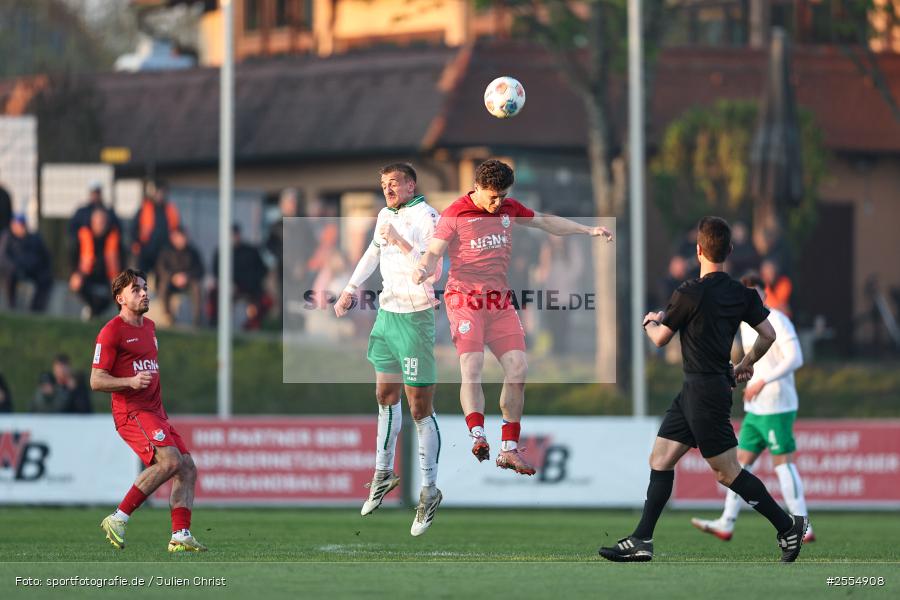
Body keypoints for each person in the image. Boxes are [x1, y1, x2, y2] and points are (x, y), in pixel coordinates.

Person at [598, 216, 808, 563]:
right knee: (661, 459)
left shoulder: (688, 292)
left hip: (704, 393)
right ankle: (642, 540)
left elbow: (662, 338)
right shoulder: (741, 293)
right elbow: (768, 335)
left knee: (727, 472)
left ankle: (788, 526)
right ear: (729, 251)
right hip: (699, 389)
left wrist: (648, 322)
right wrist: (745, 364)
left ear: (698, 250)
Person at [414, 159, 613, 475]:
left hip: (499, 301)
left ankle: (508, 449)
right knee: (472, 365)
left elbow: (546, 222)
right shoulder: (456, 213)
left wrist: (587, 229)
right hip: (465, 300)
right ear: (477, 187)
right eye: (492, 197)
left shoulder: (508, 208)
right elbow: (434, 252)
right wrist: (423, 268)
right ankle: (477, 435)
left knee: (519, 368)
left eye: (503, 197)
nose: (497, 204)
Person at [334, 163, 444, 536]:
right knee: (384, 395)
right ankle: (383, 473)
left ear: (411, 183)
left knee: (418, 407)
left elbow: (433, 267)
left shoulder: (429, 217)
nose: (388, 189)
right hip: (388, 315)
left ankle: (429, 490)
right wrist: (350, 288)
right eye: (383, 184)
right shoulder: (385, 214)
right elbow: (372, 253)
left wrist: (400, 240)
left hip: (416, 319)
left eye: (393, 183)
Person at [691, 271, 814, 543]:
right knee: (738, 467)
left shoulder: (779, 321)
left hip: (778, 405)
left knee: (783, 464)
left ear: (765, 293)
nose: (751, 298)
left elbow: (796, 358)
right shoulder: (746, 324)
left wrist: (763, 381)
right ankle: (726, 522)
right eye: (746, 293)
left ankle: (803, 524)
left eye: (755, 292)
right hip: (756, 408)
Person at [91, 268, 207, 552]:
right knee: (168, 461)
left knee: (187, 468)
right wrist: (129, 381)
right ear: (120, 298)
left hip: (156, 412)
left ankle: (180, 534)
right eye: (136, 289)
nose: (144, 292)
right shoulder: (111, 332)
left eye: (145, 287)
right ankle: (118, 518)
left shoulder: (150, 327)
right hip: (132, 412)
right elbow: (96, 380)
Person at [210, 224, 270, 330]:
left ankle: (253, 324)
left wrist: (250, 284)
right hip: (228, 287)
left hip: (250, 288)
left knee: (266, 300)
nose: (233, 237)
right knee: (214, 293)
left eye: (235, 234)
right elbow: (216, 272)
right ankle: (216, 322)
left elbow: (262, 270)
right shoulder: (221, 252)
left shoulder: (250, 251)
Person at [71, 208, 121, 320]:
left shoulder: (114, 237)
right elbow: (72, 257)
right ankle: (93, 311)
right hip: (87, 275)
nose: (100, 225)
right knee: (78, 285)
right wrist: (75, 274)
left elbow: (122, 259)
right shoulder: (82, 236)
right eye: (98, 222)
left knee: (119, 289)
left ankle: (94, 312)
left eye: (103, 222)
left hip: (108, 276)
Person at [156, 227, 204, 327]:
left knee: (197, 287)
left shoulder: (193, 252)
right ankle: (168, 316)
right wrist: (173, 277)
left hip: (188, 282)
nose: (182, 240)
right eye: (179, 237)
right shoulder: (166, 251)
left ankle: (197, 320)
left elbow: (200, 270)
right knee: (163, 286)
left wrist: (187, 277)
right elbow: (161, 269)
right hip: (171, 282)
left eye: (184, 237)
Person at [6, 214, 53, 312]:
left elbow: (45, 257)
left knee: (45, 278)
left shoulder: (34, 238)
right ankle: (11, 308)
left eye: (23, 225)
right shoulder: (6, 238)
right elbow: (3, 258)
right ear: (13, 225)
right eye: (19, 225)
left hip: (31, 270)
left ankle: (36, 311)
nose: (21, 228)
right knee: (10, 276)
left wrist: (34, 265)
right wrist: (14, 267)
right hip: (12, 271)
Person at [131, 180, 180, 275]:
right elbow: (134, 228)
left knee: (163, 275)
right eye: (158, 192)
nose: (160, 195)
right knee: (141, 277)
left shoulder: (171, 209)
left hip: (164, 251)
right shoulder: (144, 208)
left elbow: (177, 229)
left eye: (163, 193)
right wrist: (136, 243)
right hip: (146, 250)